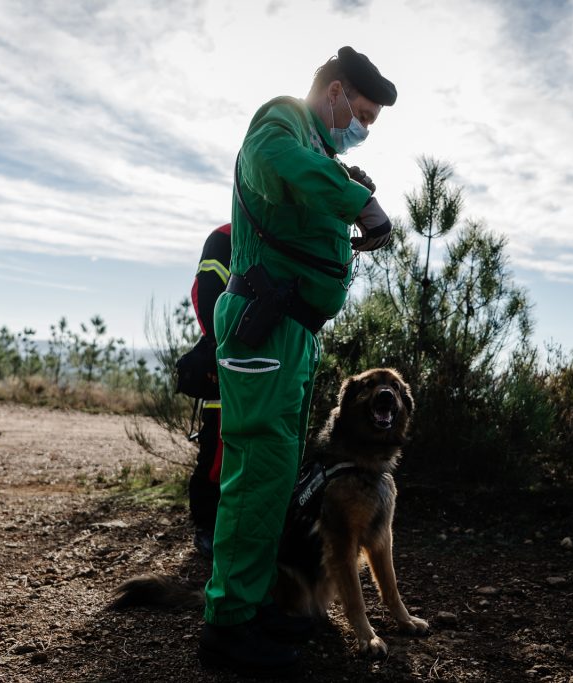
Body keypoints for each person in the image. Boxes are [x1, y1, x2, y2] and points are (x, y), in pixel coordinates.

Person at [198, 46, 397, 676]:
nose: (361, 126)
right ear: (335, 92)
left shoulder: (323, 153)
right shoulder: (280, 123)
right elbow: (275, 164)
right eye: (361, 111)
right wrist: (357, 204)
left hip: (294, 335)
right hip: (265, 327)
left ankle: (254, 607)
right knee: (257, 473)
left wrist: (347, 209)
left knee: (278, 475)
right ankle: (228, 629)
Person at [187, 223, 231, 559]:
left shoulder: (285, 231)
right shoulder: (225, 237)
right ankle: (206, 526)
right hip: (226, 360)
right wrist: (220, 345)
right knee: (215, 451)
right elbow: (205, 292)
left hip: (272, 366)